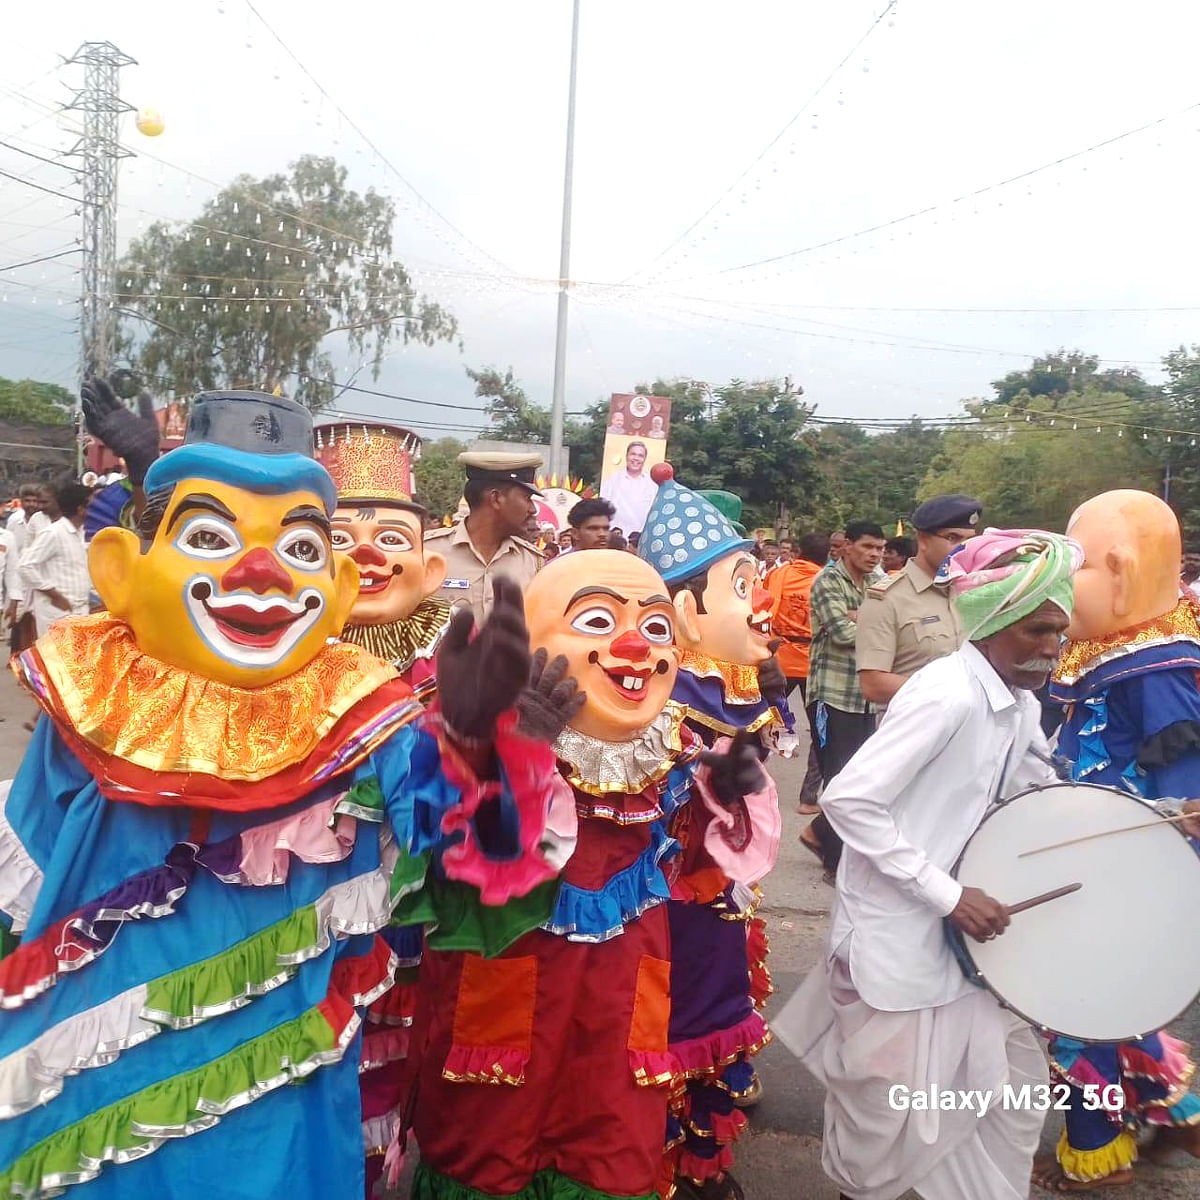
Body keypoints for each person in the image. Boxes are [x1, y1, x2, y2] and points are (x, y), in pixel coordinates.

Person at [0, 390, 569, 1200]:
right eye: (208, 538)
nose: (260, 573)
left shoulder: (367, 727)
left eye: (299, 547)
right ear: (124, 572)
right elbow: (14, 895)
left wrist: (506, 755)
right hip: (87, 1088)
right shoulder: (90, 706)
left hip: (282, 1104)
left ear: (334, 589)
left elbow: (466, 868)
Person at [409, 550, 764, 1200]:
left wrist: (721, 806)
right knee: (487, 1152)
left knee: (610, 1153)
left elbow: (689, 878)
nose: (634, 646)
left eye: (655, 627)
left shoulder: (674, 748)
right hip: (504, 1014)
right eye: (598, 620)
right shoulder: (480, 734)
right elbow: (443, 855)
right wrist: (494, 746)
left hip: (619, 1018)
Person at [774, 528, 1086, 1200]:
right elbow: (849, 801)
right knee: (886, 1123)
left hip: (964, 948)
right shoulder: (948, 694)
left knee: (1006, 1098)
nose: (1052, 648)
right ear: (995, 621)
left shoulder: (1019, 703)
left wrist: (1148, 815)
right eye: (1037, 631)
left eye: (1059, 633)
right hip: (900, 942)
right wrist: (946, 894)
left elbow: (1035, 790)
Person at [1036, 490, 1200, 1190]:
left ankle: (1097, 1150)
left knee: (1080, 1009)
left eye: (1073, 569)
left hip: (1120, 875)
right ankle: (1176, 1111)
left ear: (1121, 572)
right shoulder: (1108, 653)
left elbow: (1187, 803)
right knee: (1118, 1007)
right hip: (1092, 857)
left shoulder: (1159, 669)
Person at [639, 469, 788, 1199]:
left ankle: (702, 1156)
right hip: (666, 895)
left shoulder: (733, 680)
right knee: (674, 1016)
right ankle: (669, 1162)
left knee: (716, 1002)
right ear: (683, 610)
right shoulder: (664, 692)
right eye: (741, 584)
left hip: (720, 885)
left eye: (756, 580)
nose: (762, 601)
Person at [803, 521, 887, 871]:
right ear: (846, 546)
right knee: (838, 775)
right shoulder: (827, 581)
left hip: (865, 694)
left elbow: (889, 624)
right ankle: (834, 855)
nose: (874, 555)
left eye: (880, 549)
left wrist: (861, 617)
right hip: (831, 693)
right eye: (868, 547)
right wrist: (874, 622)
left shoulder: (877, 579)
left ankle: (818, 833)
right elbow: (841, 633)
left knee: (860, 777)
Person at [855, 494, 981, 711]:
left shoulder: (972, 594)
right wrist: (951, 691)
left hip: (967, 729)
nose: (964, 549)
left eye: (969, 541)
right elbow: (873, 684)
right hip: (912, 729)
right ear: (922, 539)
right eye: (953, 538)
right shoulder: (886, 598)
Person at [425, 452, 544, 623]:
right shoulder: (428, 553)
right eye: (527, 498)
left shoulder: (533, 562)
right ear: (496, 499)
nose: (533, 509)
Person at [769, 532, 830, 815]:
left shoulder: (780, 574)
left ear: (798, 552)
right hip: (814, 661)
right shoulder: (829, 580)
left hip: (780, 656)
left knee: (757, 721)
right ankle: (808, 798)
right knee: (821, 732)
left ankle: (742, 786)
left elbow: (764, 609)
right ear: (827, 555)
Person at [18, 481, 93, 638]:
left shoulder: (82, 533)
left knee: (75, 660)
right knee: (55, 660)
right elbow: (26, 566)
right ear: (81, 510)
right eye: (91, 505)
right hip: (57, 613)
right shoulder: (54, 533)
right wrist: (55, 595)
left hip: (80, 611)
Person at [600, 440, 657, 536]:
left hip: (642, 538)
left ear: (645, 459)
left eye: (640, 456)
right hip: (616, 537)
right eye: (633, 454)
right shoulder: (613, 480)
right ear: (626, 456)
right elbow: (603, 508)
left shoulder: (652, 484)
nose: (636, 458)